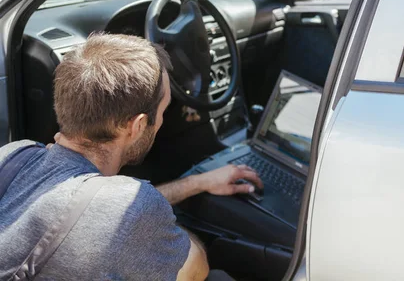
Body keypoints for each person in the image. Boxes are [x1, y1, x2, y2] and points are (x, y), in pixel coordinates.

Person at [0, 33, 263, 280]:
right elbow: (196, 270)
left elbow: (113, 212)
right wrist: (159, 224)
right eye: (163, 110)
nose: (161, 120)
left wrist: (196, 183)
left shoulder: (14, 155)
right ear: (137, 126)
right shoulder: (134, 207)